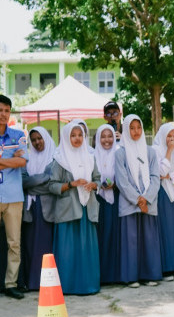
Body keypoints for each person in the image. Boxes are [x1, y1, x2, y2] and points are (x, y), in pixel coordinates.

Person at [49, 121, 101, 295]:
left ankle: (88, 285)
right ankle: (67, 286)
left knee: (87, 249)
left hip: (87, 209)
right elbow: (52, 186)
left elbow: (98, 179)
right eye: (73, 135)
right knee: (67, 250)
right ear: (66, 137)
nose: (77, 138)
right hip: (68, 211)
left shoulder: (90, 157)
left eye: (80, 135)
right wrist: (72, 184)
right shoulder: (60, 160)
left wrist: (94, 184)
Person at [114, 114, 162, 288]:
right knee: (131, 240)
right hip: (129, 203)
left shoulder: (150, 152)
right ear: (126, 130)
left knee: (149, 239)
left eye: (138, 127)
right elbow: (121, 181)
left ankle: (150, 275)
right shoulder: (120, 153)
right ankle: (131, 276)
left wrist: (146, 198)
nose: (136, 131)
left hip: (149, 202)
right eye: (132, 128)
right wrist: (137, 199)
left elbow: (156, 177)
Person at [20, 127, 55, 291]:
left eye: (40, 138)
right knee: (30, 246)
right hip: (30, 209)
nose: (37, 142)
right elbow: (23, 182)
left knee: (46, 248)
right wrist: (41, 180)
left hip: (47, 208)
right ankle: (32, 282)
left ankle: (48, 284)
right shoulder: (27, 159)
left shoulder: (54, 158)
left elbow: (50, 184)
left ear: (46, 139)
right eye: (33, 140)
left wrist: (32, 183)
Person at [0, 95, 28, 299]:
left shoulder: (18, 135)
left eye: (6, 111)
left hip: (14, 196)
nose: (3, 114)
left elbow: (23, 162)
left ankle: (11, 284)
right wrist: (11, 158)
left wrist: (4, 161)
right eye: (0, 110)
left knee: (14, 243)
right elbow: (16, 161)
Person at [152, 123, 174, 282]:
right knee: (163, 229)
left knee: (173, 229)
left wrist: (173, 175)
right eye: (169, 137)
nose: (171, 140)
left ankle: (173, 266)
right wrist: (169, 151)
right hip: (162, 192)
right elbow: (160, 172)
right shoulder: (156, 150)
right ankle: (163, 268)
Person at [94, 124, 122, 284]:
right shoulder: (92, 155)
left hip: (115, 199)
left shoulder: (118, 153)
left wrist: (115, 184)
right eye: (103, 136)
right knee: (100, 236)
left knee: (113, 235)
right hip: (98, 200)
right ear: (98, 138)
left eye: (110, 136)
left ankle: (114, 275)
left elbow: (124, 174)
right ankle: (100, 275)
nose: (107, 140)